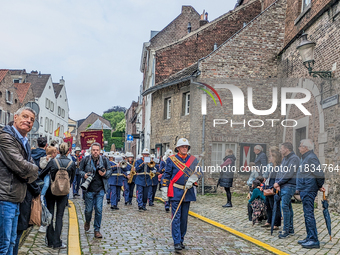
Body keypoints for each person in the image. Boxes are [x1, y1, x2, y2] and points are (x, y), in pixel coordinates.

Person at [0, 107, 39, 254]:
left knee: (11, 242)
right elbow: (23, 166)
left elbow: (32, 170)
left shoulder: (24, 141)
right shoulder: (5, 137)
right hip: (5, 196)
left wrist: (30, 170)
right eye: (25, 117)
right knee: (3, 245)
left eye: (32, 120)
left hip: (17, 198)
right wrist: (31, 170)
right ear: (15, 117)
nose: (28, 121)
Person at [161, 138, 202, 251]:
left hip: (187, 192)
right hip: (175, 192)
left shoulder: (193, 160)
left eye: (186, 147)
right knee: (176, 218)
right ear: (178, 148)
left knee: (184, 219)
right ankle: (177, 241)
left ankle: (181, 239)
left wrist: (193, 178)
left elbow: (199, 172)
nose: (185, 148)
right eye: (182, 146)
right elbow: (167, 175)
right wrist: (164, 189)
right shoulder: (171, 160)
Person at [39, 143, 75, 249]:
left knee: (50, 214)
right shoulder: (71, 163)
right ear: (68, 152)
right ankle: (57, 242)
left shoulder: (53, 162)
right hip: (63, 192)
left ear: (58, 151)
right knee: (60, 216)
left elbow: (42, 174)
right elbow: (72, 180)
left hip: (51, 190)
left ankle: (50, 240)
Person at [296, 139, 325, 249]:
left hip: (308, 189)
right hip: (305, 188)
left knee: (309, 215)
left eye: (300, 146)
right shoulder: (305, 157)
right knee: (306, 214)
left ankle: (313, 239)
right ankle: (309, 236)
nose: (299, 148)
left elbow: (319, 173)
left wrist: (319, 185)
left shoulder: (311, 157)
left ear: (306, 148)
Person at [79, 142, 111, 238]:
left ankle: (97, 229)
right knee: (88, 210)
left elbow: (110, 171)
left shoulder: (104, 160)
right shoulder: (85, 160)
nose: (95, 152)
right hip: (89, 189)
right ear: (91, 151)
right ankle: (88, 221)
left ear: (100, 151)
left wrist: (104, 174)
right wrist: (84, 175)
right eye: (94, 150)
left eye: (97, 150)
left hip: (100, 189)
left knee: (99, 209)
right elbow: (80, 170)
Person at [274, 142, 299, 239]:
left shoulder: (294, 159)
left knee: (285, 206)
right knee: (288, 206)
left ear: (287, 149)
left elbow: (289, 173)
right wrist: (277, 183)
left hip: (289, 185)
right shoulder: (285, 159)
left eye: (281, 148)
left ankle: (286, 230)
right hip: (283, 185)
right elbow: (280, 171)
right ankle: (290, 229)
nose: (280, 150)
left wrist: (279, 183)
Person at [38, 146, 58, 233]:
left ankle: (46, 224)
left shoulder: (56, 160)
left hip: (51, 181)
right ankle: (44, 224)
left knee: (48, 206)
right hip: (47, 177)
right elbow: (42, 167)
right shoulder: (45, 158)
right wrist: (46, 160)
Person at [261, 150, 281, 230]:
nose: (270, 158)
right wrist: (264, 185)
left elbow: (277, 178)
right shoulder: (272, 166)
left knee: (274, 206)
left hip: (273, 188)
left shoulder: (278, 167)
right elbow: (269, 178)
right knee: (268, 205)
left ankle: (276, 223)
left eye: (271, 156)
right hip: (268, 187)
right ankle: (269, 221)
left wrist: (274, 186)